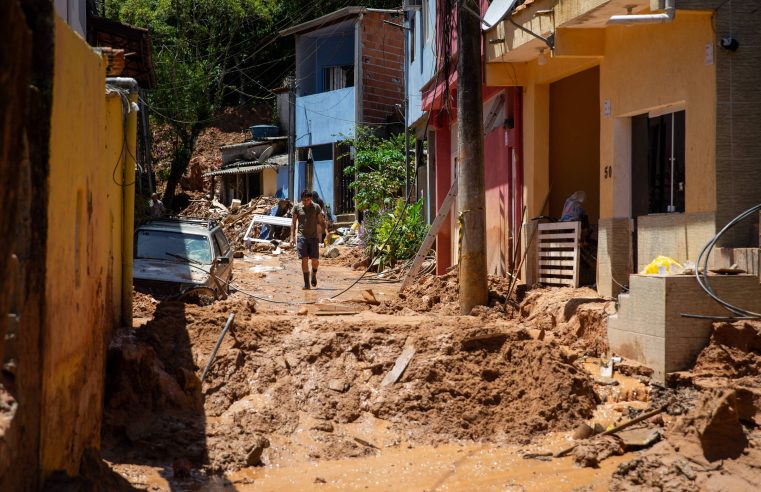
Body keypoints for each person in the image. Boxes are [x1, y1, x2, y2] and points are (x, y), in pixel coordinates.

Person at [291, 190, 326, 290]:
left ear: (311, 199)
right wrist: (292, 237)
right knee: (304, 259)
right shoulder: (297, 207)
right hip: (302, 237)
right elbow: (293, 223)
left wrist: (325, 234)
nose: (306, 202)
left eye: (309, 199)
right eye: (304, 200)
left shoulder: (316, 207)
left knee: (315, 260)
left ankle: (313, 273)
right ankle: (307, 284)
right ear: (301, 199)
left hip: (314, 237)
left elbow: (321, 221)